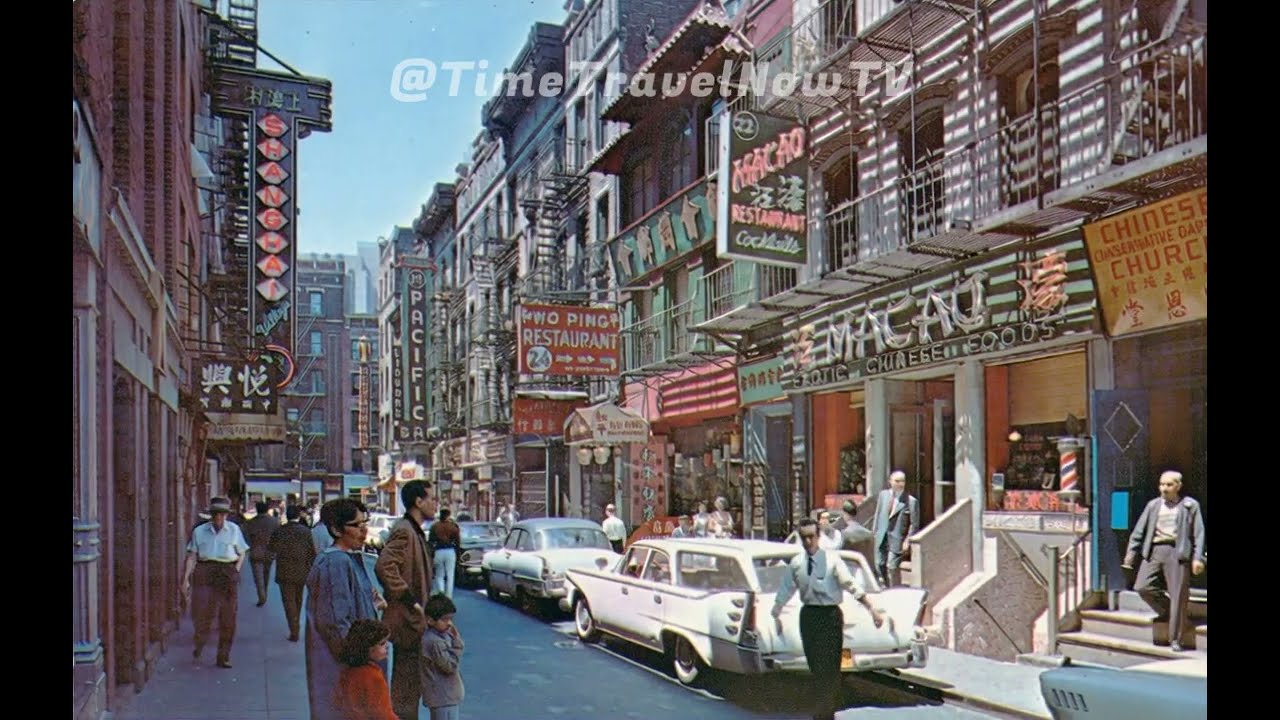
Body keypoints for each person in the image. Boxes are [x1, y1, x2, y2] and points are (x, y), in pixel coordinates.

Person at [772, 517, 886, 720]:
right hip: (809, 616)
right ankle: (822, 710)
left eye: (812, 537)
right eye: (804, 537)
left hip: (830, 616)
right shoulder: (797, 563)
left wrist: (872, 609)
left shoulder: (833, 560)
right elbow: (786, 589)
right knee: (815, 666)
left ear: (818, 537)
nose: (808, 542)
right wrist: (776, 611)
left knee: (831, 668)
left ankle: (825, 713)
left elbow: (851, 585)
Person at [306, 498, 387, 720]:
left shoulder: (345, 559)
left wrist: (372, 605)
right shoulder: (336, 562)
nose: (364, 531)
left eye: (365, 523)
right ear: (335, 529)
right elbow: (335, 622)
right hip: (346, 667)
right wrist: (361, 658)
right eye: (356, 525)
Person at [1123, 470, 1207, 652]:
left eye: (1169, 485)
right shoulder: (1153, 505)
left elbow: (1199, 534)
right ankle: (1169, 611)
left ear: (1178, 486)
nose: (1164, 489)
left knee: (1178, 594)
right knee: (1143, 587)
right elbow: (1139, 531)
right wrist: (1131, 556)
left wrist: (1197, 558)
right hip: (1154, 550)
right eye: (1162, 484)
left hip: (1178, 552)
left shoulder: (1190, 506)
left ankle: (1175, 639)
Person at [374, 480, 435, 720]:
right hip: (407, 622)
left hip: (413, 621)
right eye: (431, 498)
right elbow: (384, 566)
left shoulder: (413, 530)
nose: (435, 503)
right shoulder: (404, 530)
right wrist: (410, 600)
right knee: (405, 689)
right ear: (418, 502)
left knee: (410, 685)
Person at [182, 497, 249, 669]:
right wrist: (185, 579)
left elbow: (241, 552)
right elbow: (192, 556)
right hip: (205, 570)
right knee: (202, 611)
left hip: (227, 571)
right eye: (216, 514)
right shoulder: (199, 531)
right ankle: (200, 641)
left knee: (228, 615)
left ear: (226, 515)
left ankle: (223, 656)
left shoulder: (234, 530)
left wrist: (236, 570)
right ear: (211, 515)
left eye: (222, 514)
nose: (219, 518)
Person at [269, 505, 317, 641]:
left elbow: (271, 547)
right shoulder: (306, 531)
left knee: (288, 601)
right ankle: (296, 622)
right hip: (302, 571)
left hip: (284, 571)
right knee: (298, 598)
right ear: (298, 516)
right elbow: (312, 553)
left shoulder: (280, 530)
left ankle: (294, 627)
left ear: (287, 516)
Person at [334, 618, 398, 720]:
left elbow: (338, 704)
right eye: (382, 644)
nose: (387, 647)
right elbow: (384, 714)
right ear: (367, 648)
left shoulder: (347, 673)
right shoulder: (374, 676)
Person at [420, 594, 465, 720]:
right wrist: (457, 646)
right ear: (430, 620)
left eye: (451, 619)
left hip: (442, 696)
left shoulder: (438, 635)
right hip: (443, 696)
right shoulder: (435, 642)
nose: (449, 623)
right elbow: (449, 666)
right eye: (445, 620)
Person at [872, 470, 919, 587]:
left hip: (898, 539)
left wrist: (907, 540)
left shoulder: (911, 501)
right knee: (879, 564)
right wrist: (874, 533)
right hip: (882, 535)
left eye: (902, 481)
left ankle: (895, 590)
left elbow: (914, 524)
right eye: (897, 481)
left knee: (892, 566)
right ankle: (887, 587)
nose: (900, 484)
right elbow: (878, 514)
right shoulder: (883, 495)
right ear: (890, 481)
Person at [244, 501, 279, 607]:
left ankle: (262, 595)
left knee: (258, 576)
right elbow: (278, 537)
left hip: (255, 552)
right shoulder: (275, 521)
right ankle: (265, 593)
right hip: (270, 552)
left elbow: (246, 538)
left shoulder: (251, 522)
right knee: (266, 574)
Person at [429, 507, 461, 599]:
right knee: (450, 575)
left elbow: (431, 541)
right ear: (448, 515)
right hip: (450, 551)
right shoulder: (453, 526)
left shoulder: (435, 526)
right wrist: (457, 555)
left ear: (440, 514)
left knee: (439, 574)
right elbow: (458, 542)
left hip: (438, 551)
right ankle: (449, 596)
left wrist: (431, 554)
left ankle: (441, 592)